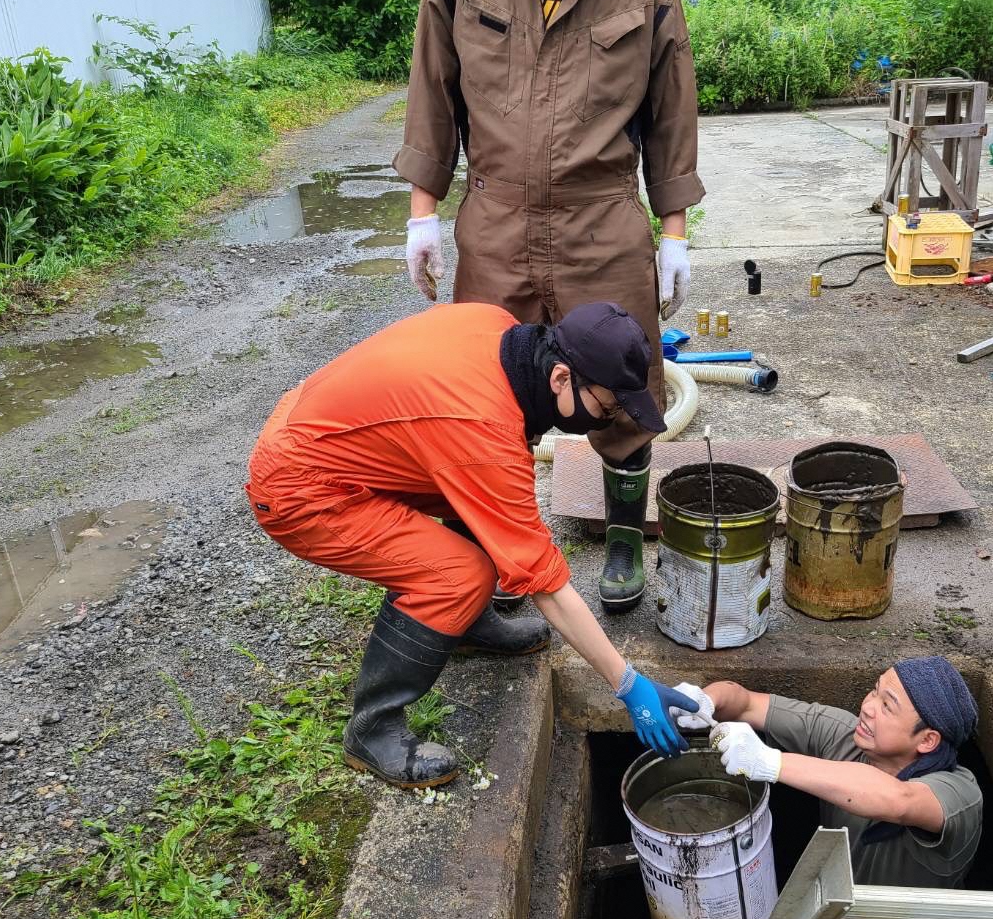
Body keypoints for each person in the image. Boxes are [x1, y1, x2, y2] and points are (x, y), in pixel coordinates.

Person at [246, 300, 701, 788]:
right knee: (457, 576)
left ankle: (463, 623)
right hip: (300, 486)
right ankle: (372, 729)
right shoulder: (481, 428)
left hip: (327, 431)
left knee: (482, 517)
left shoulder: (500, 330)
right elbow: (545, 582)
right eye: (605, 407)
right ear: (561, 378)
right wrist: (627, 684)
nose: (606, 421)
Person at [393, 0, 704, 616]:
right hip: (496, 221)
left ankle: (621, 541)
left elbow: (671, 108)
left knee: (624, 391)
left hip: (602, 221)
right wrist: (423, 212)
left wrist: (673, 231)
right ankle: (486, 556)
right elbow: (433, 93)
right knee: (484, 398)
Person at [675, 656, 982, 919]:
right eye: (874, 691)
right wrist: (704, 701)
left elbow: (898, 800)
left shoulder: (959, 793)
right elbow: (744, 703)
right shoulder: (846, 736)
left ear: (927, 740)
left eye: (887, 706)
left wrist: (770, 762)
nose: (868, 707)